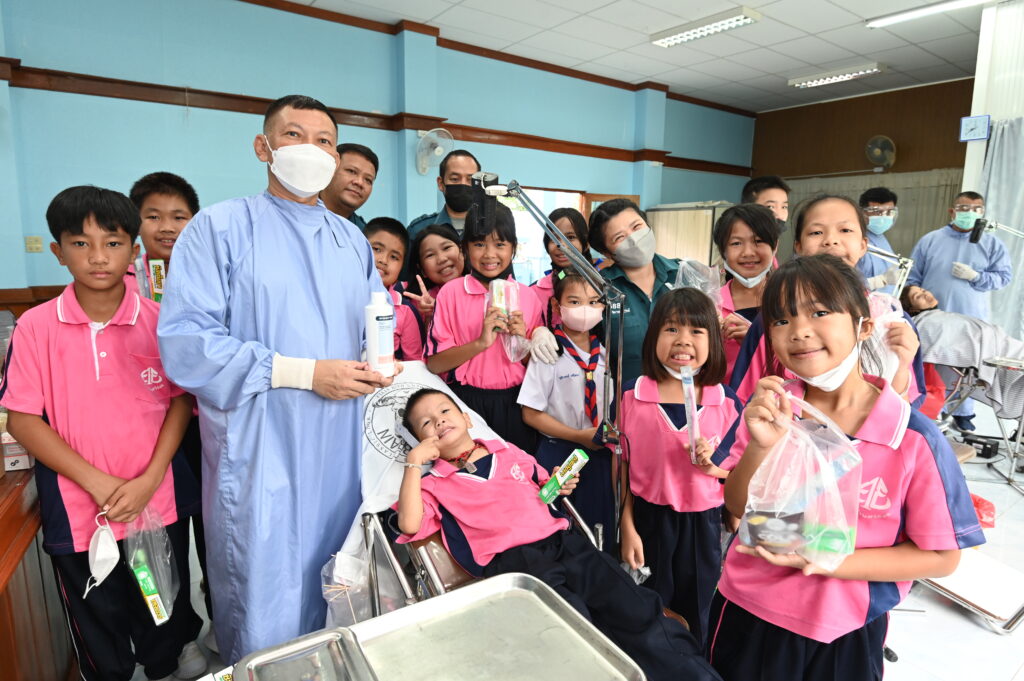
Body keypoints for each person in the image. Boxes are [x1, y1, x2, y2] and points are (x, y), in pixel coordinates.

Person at [157, 94, 396, 663]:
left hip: (338, 446)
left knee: (335, 577)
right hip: (260, 445)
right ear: (263, 147)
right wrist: (303, 373)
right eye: (294, 135)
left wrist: (381, 362)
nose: (310, 150)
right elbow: (187, 345)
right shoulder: (220, 228)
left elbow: (376, 320)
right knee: (262, 587)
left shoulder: (350, 241)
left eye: (324, 141)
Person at [709, 254, 984, 681]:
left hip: (844, 628)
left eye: (820, 312)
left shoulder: (912, 437)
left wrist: (832, 562)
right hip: (747, 609)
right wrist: (760, 448)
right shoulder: (774, 411)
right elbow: (739, 507)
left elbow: (940, 557)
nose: (799, 331)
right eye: (781, 320)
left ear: (863, 326)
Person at [1, 186, 204, 681]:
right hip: (79, 510)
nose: (97, 257)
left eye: (112, 243)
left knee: (161, 605)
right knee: (98, 618)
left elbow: (180, 402)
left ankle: (164, 664)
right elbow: (23, 419)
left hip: (155, 502)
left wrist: (148, 480)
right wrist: (97, 483)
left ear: (133, 251)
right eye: (80, 243)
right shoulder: (35, 326)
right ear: (58, 251)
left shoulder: (159, 323)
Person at [395, 389, 722, 681]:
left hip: (566, 544)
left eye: (444, 411)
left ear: (467, 418)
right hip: (516, 566)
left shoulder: (508, 452)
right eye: (426, 423)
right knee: (572, 630)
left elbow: (543, 488)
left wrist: (558, 483)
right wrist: (413, 464)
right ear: (421, 443)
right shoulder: (433, 484)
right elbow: (410, 524)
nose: (438, 421)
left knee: (635, 607)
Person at [618, 288, 741, 648]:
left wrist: (714, 467)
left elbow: (739, 472)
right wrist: (627, 526)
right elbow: (620, 466)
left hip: (704, 526)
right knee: (648, 608)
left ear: (713, 341)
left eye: (696, 331)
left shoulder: (726, 403)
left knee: (699, 610)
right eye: (671, 329)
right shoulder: (631, 396)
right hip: (648, 520)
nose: (683, 340)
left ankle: (694, 665)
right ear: (653, 335)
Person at [128, 170, 216, 650]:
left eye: (179, 216)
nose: (167, 226)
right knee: (160, 539)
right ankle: (173, 638)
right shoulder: (117, 281)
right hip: (147, 432)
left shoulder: (212, 275)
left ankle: (223, 614)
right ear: (134, 222)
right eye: (153, 216)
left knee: (215, 530)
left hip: (207, 423)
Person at [730, 195, 924, 409]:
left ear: (863, 245)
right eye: (816, 232)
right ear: (798, 247)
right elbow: (743, 401)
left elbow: (908, 408)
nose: (831, 240)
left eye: (845, 230)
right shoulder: (773, 319)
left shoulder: (893, 320)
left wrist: (902, 368)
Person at [425, 201, 544, 451]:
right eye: (479, 244)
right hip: (466, 402)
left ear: (513, 248)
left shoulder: (528, 296)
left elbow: (535, 366)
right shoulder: (451, 293)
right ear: (464, 248)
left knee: (518, 468)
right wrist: (480, 343)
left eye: (500, 244)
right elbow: (434, 364)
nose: (489, 254)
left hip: (517, 402)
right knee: (472, 469)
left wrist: (522, 340)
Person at [518, 271, 615, 551]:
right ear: (556, 306)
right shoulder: (548, 350)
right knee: (563, 522)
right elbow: (530, 414)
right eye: (574, 301)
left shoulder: (605, 352)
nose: (585, 309)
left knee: (599, 525)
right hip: (561, 453)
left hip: (599, 454)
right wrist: (577, 436)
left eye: (594, 302)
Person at [907, 191, 1011, 431]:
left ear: (983, 213)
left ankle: (963, 412)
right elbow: (913, 278)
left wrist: (977, 277)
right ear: (952, 212)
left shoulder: (992, 244)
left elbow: (1004, 277)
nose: (970, 213)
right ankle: (931, 409)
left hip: (969, 316)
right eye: (964, 208)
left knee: (966, 367)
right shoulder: (930, 240)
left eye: (976, 209)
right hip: (933, 318)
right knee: (932, 365)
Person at [590, 198, 679, 384]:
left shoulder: (683, 274)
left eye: (637, 227)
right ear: (607, 253)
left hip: (683, 394)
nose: (633, 239)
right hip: (626, 397)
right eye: (619, 237)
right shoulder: (599, 288)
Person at [712, 204, 780, 381]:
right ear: (723, 251)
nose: (748, 252)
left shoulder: (788, 302)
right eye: (736, 243)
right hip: (722, 398)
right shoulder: (711, 304)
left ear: (775, 246)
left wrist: (756, 343)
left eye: (758, 241)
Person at [365, 216, 423, 360]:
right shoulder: (337, 297)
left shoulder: (405, 311)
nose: (383, 260)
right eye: (377, 249)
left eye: (394, 257)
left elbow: (414, 363)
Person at [401, 223, 467, 330]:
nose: (441, 259)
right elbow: (429, 340)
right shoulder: (421, 303)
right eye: (430, 255)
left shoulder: (484, 287)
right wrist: (431, 315)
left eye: (446, 248)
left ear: (462, 251)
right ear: (422, 270)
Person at [531, 207, 590, 325]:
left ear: (586, 243)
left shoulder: (599, 287)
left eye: (571, 237)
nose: (562, 246)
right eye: (554, 238)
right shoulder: (533, 292)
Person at [407, 149, 481, 243]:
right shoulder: (418, 230)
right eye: (455, 179)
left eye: (470, 180)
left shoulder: (493, 228)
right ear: (441, 183)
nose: (463, 184)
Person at [320, 142, 378, 230]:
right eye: (351, 171)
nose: (359, 183)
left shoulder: (363, 234)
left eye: (368, 180)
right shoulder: (299, 210)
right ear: (330, 170)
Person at [856, 187, 902, 293]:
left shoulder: (880, 237)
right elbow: (843, 285)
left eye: (889, 212)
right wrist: (879, 281)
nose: (884, 217)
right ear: (862, 212)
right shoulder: (853, 239)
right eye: (877, 212)